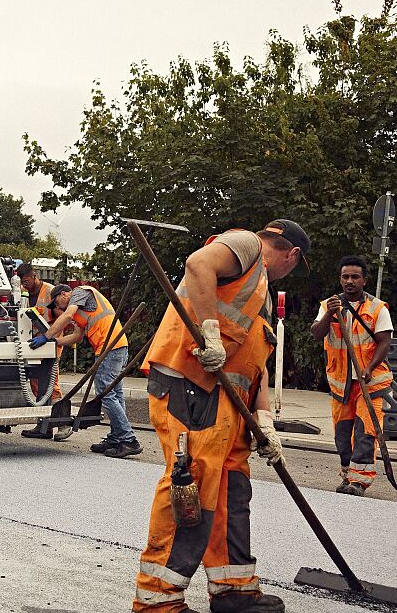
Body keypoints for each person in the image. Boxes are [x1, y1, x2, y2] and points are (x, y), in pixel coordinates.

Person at [133, 219, 308, 613]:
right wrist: (208, 332)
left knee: (230, 487)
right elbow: (198, 264)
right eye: (296, 265)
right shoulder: (246, 245)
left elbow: (254, 366)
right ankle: (158, 601)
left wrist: (264, 422)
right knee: (190, 484)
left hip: (226, 400)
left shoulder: (257, 291)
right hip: (191, 381)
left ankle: (234, 589)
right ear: (293, 255)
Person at [309, 254, 392, 496]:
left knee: (365, 432)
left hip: (370, 383)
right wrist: (329, 315)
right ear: (340, 279)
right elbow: (316, 333)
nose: (350, 281)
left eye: (355, 277)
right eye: (345, 276)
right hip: (341, 385)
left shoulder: (377, 308)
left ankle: (359, 482)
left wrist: (368, 367)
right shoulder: (329, 305)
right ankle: (348, 474)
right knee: (343, 436)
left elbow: (384, 342)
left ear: (364, 281)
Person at [34, 283, 139, 456]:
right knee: (116, 395)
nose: (56, 308)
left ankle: (128, 440)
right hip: (116, 346)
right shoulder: (80, 310)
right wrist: (55, 342)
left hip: (110, 347)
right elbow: (77, 336)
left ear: (65, 294)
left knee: (107, 396)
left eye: (56, 303)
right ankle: (116, 438)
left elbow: (66, 316)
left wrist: (46, 336)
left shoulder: (80, 293)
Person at [15, 262, 72, 441]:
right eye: (22, 282)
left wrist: (50, 337)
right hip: (33, 344)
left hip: (49, 343)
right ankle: (44, 426)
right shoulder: (24, 293)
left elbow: (63, 317)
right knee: (36, 383)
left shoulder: (50, 292)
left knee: (50, 384)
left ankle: (63, 424)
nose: (25, 285)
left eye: (26, 281)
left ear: (34, 275)